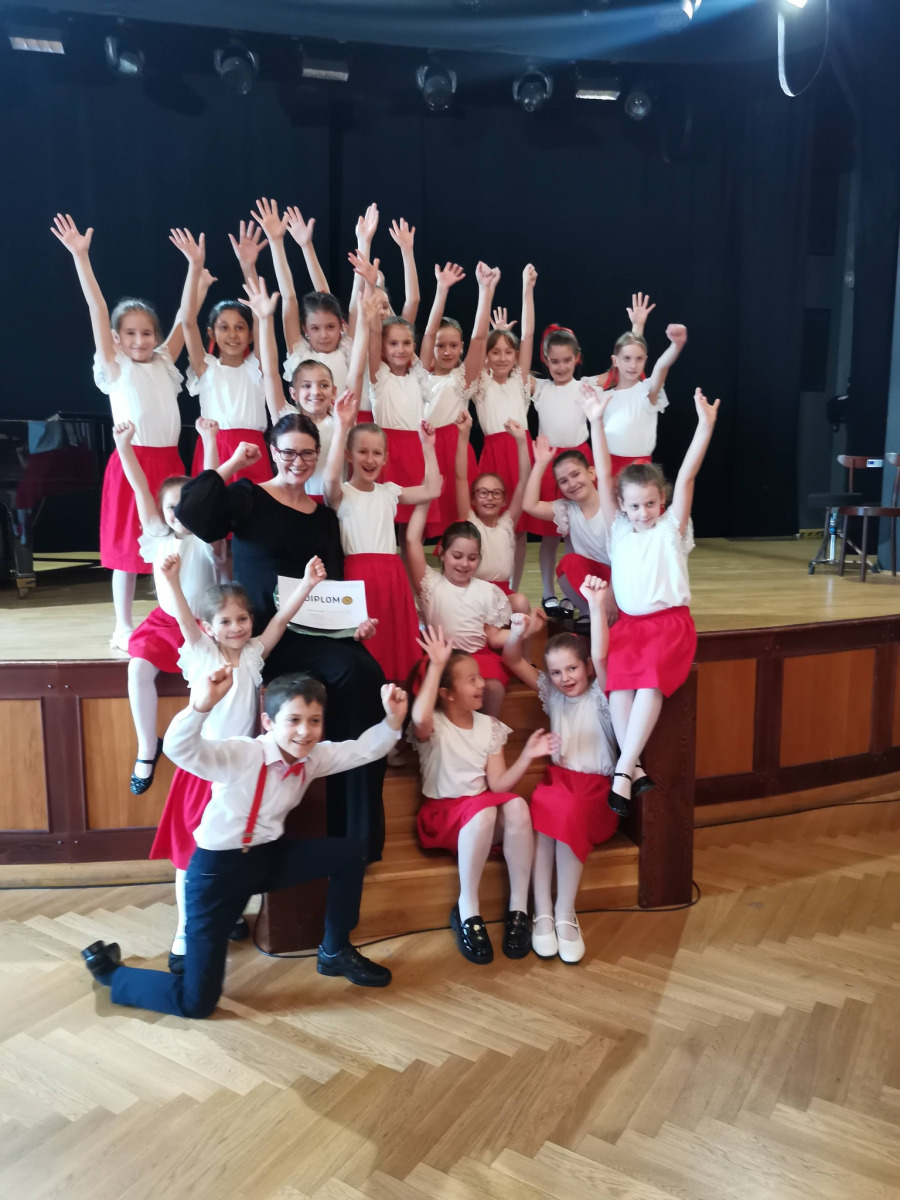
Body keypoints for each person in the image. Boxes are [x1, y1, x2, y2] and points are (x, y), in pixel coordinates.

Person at [81, 667, 408, 1017]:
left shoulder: (313, 758)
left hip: (266, 859)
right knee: (196, 1003)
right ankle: (112, 974)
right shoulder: (244, 754)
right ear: (268, 722)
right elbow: (180, 749)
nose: (305, 731)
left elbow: (362, 750)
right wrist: (200, 707)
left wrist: (392, 721)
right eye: (294, 720)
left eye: (314, 721)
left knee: (350, 853)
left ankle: (334, 951)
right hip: (217, 875)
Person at [173, 407, 389, 860]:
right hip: (261, 639)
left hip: (316, 633)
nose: (298, 461)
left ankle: (357, 831)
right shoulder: (248, 496)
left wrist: (354, 625)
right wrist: (234, 463)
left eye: (307, 453)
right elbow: (192, 512)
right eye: (288, 452)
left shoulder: (323, 517)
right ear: (273, 452)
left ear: (318, 455)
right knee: (347, 674)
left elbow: (334, 585)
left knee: (364, 672)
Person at [150, 552, 352, 973]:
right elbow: (185, 619)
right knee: (192, 856)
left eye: (242, 619)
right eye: (225, 621)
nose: (236, 627)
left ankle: (226, 913)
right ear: (209, 627)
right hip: (204, 769)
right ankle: (185, 935)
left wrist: (307, 585)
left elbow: (280, 621)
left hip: (242, 769)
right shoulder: (202, 653)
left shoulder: (255, 654)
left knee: (236, 851)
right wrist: (170, 580)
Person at [51, 213, 211, 651]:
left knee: (177, 544)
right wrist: (81, 257)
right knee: (126, 549)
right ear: (117, 339)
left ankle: (180, 613)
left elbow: (185, 316)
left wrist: (195, 269)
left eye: (147, 333)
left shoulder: (164, 362)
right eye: (130, 334)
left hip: (169, 464)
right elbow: (97, 309)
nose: (140, 340)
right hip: (132, 462)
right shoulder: (115, 366)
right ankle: (122, 625)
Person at [586, 385, 720, 816]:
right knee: (617, 684)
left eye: (651, 504)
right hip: (630, 626)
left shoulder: (670, 530)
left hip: (669, 625)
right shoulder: (619, 530)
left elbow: (687, 476)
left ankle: (624, 768)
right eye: (635, 506)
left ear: (662, 502)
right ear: (622, 507)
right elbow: (604, 476)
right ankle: (634, 769)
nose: (643, 512)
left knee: (648, 681)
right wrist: (595, 421)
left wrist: (704, 426)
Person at [409, 627, 554, 964]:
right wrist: (436, 664)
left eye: (479, 677)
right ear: (447, 693)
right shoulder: (434, 726)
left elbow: (499, 785)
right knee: (485, 812)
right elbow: (419, 716)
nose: (482, 684)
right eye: (471, 680)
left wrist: (527, 756)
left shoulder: (489, 726)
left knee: (516, 805)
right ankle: (468, 909)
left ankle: (519, 908)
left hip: (479, 816)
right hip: (443, 819)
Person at [502, 580, 618, 964]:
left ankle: (565, 911)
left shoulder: (601, 697)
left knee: (566, 812)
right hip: (559, 781)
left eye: (572, 668)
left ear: (587, 667)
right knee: (545, 805)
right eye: (555, 672)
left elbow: (602, 656)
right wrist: (518, 634)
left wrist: (596, 606)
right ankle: (543, 911)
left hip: (596, 790)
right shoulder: (552, 695)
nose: (565, 678)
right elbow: (513, 661)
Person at [114, 419, 221, 795]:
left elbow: (211, 484)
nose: (179, 512)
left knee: (208, 682)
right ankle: (147, 746)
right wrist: (125, 448)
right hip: (165, 623)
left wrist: (209, 440)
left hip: (204, 626)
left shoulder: (207, 539)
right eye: (172, 507)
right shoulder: (159, 537)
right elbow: (140, 488)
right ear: (162, 511)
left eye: (187, 505)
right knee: (137, 669)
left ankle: (200, 746)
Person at [323, 382, 440, 685]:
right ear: (349, 455)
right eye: (362, 451)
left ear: (386, 458)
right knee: (367, 647)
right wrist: (342, 426)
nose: (370, 459)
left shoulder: (389, 491)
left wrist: (428, 446)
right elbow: (330, 479)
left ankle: (398, 699)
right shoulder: (342, 494)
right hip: (358, 577)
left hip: (392, 574)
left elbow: (432, 489)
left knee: (395, 643)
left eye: (377, 453)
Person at [169, 226, 278, 483]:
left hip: (252, 450)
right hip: (214, 450)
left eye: (240, 327)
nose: (232, 334)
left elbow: (260, 314)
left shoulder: (255, 368)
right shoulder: (206, 368)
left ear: (250, 335)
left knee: (252, 507)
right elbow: (187, 321)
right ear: (211, 333)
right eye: (224, 327)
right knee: (213, 506)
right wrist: (194, 267)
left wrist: (248, 267)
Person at [407, 499, 512, 718]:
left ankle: (488, 730)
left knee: (493, 686)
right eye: (457, 556)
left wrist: (521, 631)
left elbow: (494, 636)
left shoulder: (488, 591)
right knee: (440, 685)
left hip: (478, 657)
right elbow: (412, 540)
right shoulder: (429, 584)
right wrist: (426, 498)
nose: (464, 563)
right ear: (442, 553)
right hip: (442, 658)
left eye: (472, 558)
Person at [470, 264, 539, 589]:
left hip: (520, 453)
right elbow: (478, 340)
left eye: (507, 352)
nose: (501, 357)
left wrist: (527, 289)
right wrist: (488, 290)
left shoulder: (520, 382)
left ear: (515, 356)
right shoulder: (481, 383)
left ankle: (513, 585)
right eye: (494, 352)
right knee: (490, 521)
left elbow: (528, 336)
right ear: (486, 357)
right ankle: (488, 580)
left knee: (518, 527)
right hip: (494, 456)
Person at [419, 260, 499, 535]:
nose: (446, 351)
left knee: (459, 520)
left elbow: (479, 339)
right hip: (426, 449)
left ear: (461, 347)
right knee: (421, 521)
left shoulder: (461, 378)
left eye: (453, 345)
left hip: (455, 450)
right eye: (440, 345)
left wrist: (484, 291)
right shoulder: (419, 375)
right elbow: (428, 334)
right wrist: (441, 291)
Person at [523, 434, 612, 624]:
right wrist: (540, 464)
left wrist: (613, 593)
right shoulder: (567, 510)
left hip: (619, 580)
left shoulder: (611, 505)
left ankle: (612, 611)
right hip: (593, 581)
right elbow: (529, 505)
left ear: (591, 473)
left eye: (576, 474)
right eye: (563, 481)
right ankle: (588, 612)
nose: (571, 484)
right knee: (569, 564)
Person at [455, 408, 531, 615]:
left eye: (496, 493)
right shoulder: (470, 523)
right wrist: (463, 435)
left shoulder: (507, 524)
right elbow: (461, 477)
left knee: (522, 603)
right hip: (474, 594)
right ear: (473, 498)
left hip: (503, 595)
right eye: (483, 493)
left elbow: (524, 480)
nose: (489, 498)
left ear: (504, 500)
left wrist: (521, 441)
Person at [598, 322, 687, 476]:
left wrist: (676, 345)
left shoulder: (646, 392)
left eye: (639, 359)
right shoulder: (604, 397)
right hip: (609, 469)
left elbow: (661, 367)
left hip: (641, 472)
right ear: (615, 361)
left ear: (645, 360)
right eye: (627, 358)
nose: (633, 365)